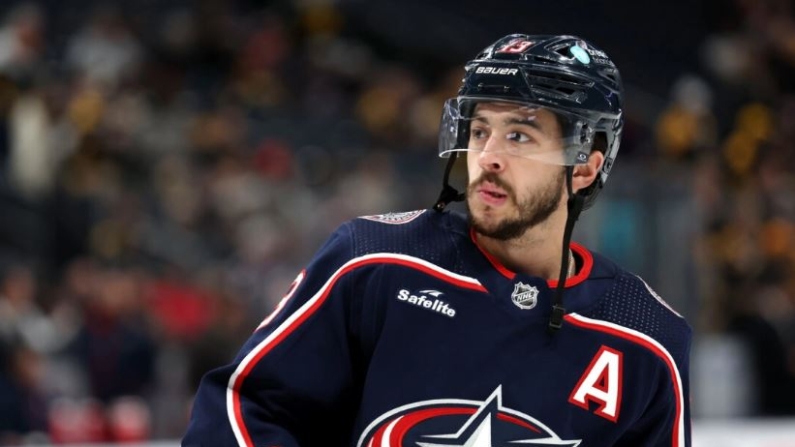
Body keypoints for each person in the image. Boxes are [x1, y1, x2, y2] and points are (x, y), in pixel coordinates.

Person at [182, 33, 692, 447]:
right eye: (479, 131)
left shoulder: (646, 335)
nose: (488, 156)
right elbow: (242, 411)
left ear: (584, 166)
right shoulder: (373, 262)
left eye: (519, 136)